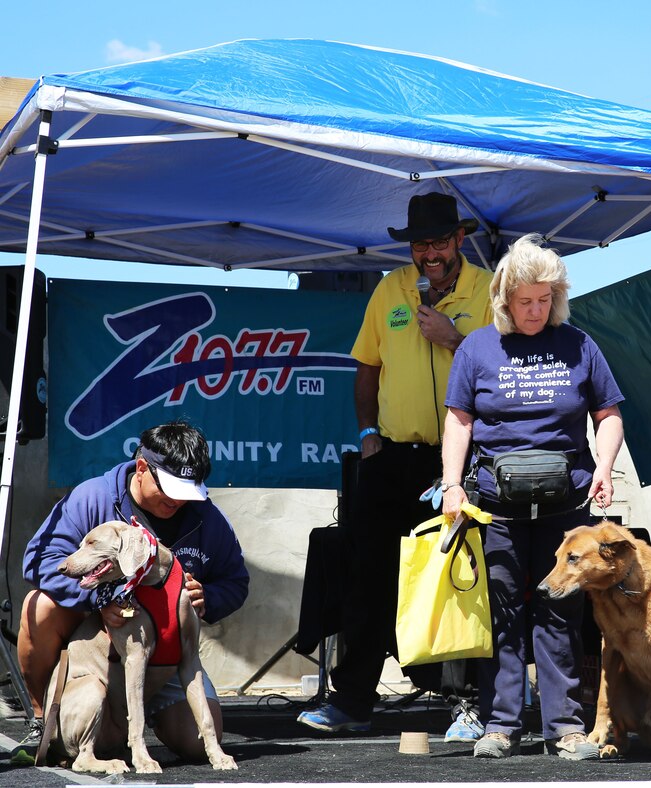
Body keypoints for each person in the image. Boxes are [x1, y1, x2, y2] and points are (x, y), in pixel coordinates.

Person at [296, 192, 493, 742]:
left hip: (456, 460)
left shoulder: (488, 290)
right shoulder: (389, 289)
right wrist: (368, 437)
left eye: (439, 242)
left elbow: (504, 374)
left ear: (459, 239)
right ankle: (353, 699)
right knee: (369, 578)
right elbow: (367, 369)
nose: (429, 254)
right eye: (420, 244)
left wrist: (453, 339)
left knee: (456, 582)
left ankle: (466, 704)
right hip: (391, 458)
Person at [440, 233, 625, 761]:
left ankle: (564, 727)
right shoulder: (477, 347)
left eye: (545, 300)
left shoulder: (579, 344)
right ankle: (500, 725)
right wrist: (453, 484)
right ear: (504, 297)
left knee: (561, 613)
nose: (536, 310)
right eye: (526, 301)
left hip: (566, 509)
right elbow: (458, 421)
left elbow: (608, 415)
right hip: (495, 507)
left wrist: (605, 468)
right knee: (501, 612)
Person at [14, 420, 249, 765]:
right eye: (170, 488)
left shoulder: (206, 517)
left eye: (188, 491)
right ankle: (44, 718)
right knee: (39, 606)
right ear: (142, 468)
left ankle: (145, 718)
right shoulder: (93, 498)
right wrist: (99, 600)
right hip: (105, 652)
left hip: (165, 663)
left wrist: (208, 598)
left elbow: (236, 581)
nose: (178, 500)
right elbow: (40, 561)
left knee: (199, 743)